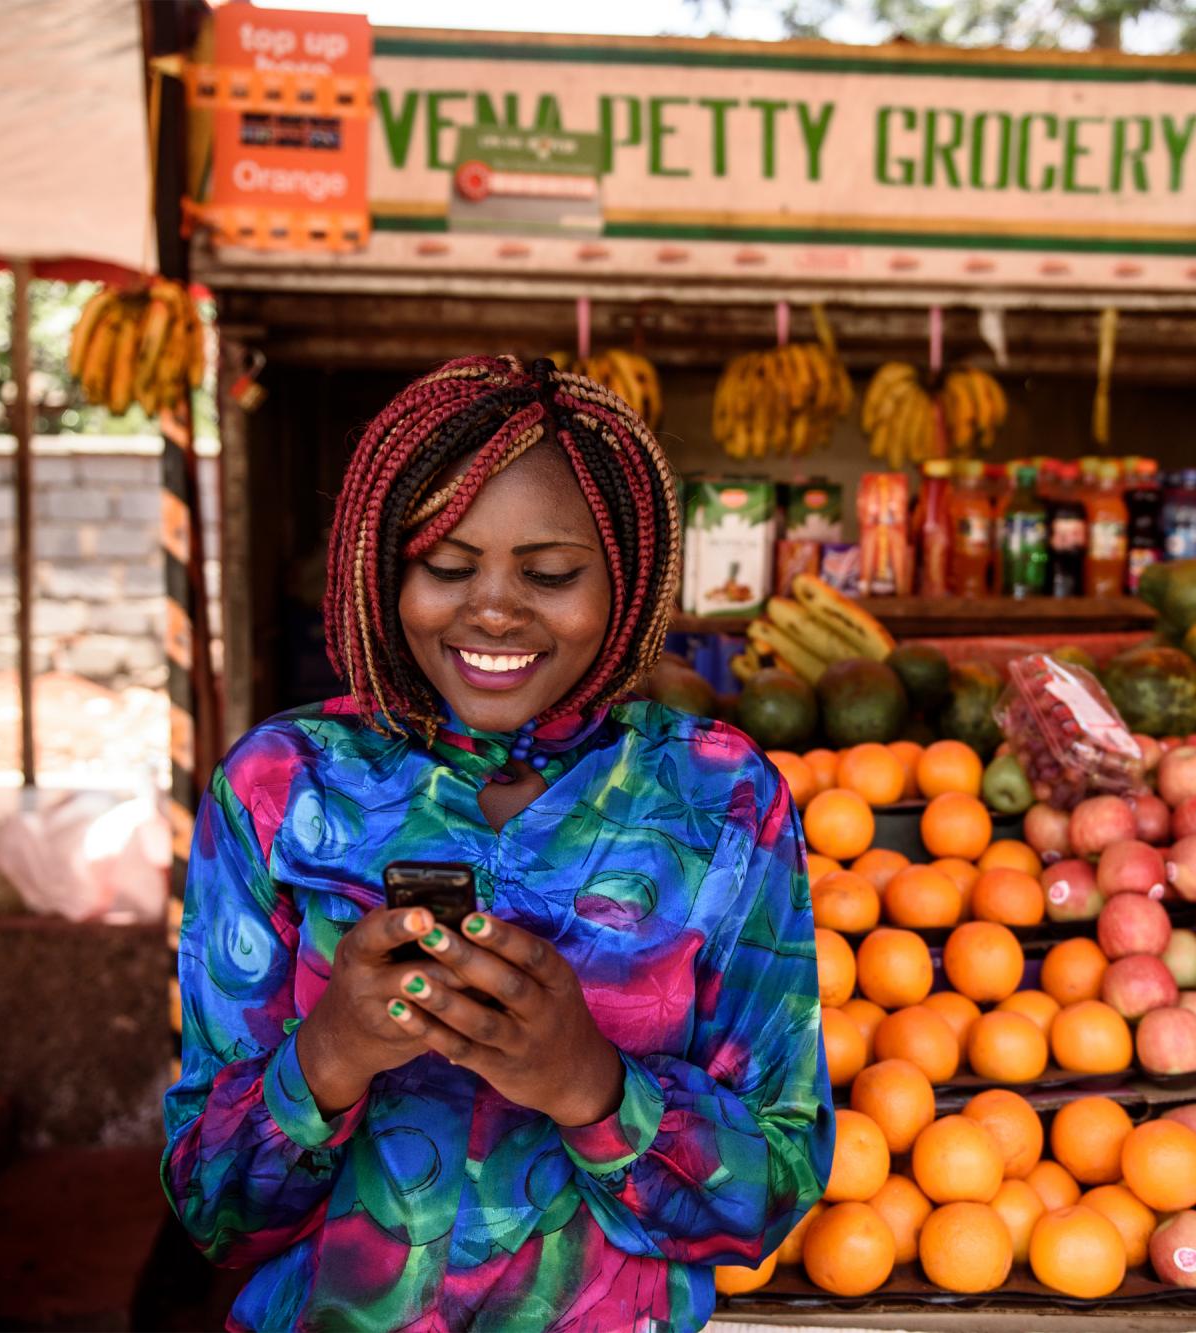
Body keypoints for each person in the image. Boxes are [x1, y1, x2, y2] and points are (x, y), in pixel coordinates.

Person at [162, 355, 833, 1332]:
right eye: (444, 565)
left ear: (627, 580)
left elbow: (769, 1195)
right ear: (383, 567)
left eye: (550, 573)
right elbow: (210, 1210)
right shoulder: (282, 790)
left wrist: (587, 1082)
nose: (491, 607)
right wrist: (329, 1056)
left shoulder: (719, 800)